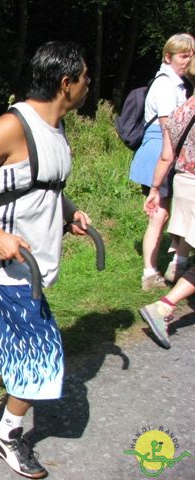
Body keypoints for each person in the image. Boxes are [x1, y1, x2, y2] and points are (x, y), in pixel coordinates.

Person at [0, 41, 91, 478]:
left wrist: (69, 213)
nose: (88, 87)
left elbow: (42, 186)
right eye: (85, 79)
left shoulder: (56, 128)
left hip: (33, 260)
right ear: (66, 83)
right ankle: (6, 432)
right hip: (5, 263)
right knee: (41, 353)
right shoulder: (13, 126)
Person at [128, 33, 195, 291]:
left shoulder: (177, 83)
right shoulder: (166, 85)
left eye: (191, 56)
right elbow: (170, 129)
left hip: (166, 154)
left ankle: (176, 260)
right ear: (168, 56)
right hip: (161, 154)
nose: (187, 61)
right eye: (182, 55)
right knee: (159, 214)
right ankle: (149, 272)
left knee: (170, 211)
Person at [140, 66, 195, 349]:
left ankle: (169, 290)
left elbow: (166, 156)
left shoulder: (180, 112)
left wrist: (154, 190)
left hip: (184, 184)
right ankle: (162, 307)